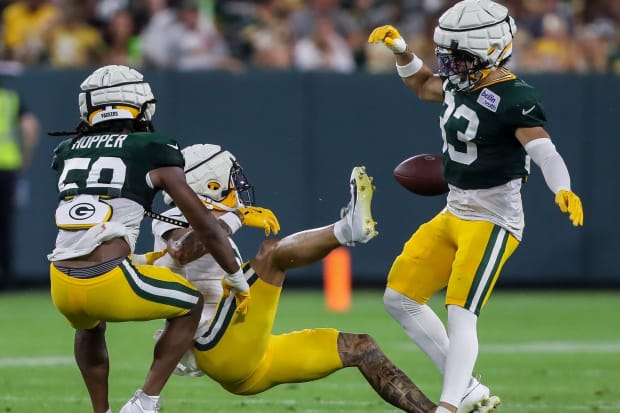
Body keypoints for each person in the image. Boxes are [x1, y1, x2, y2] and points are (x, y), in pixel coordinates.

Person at [368, 1, 584, 413]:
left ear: (489, 49)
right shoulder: (461, 81)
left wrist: (563, 187)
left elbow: (544, 151)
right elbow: (423, 85)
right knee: (399, 297)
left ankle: (449, 407)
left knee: (460, 311)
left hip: (493, 219)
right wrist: (401, 51)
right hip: (454, 211)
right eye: (448, 55)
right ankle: (465, 389)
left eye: (460, 56)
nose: (451, 65)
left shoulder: (512, 96)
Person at [149, 144, 437, 413]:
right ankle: (346, 230)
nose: (237, 185)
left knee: (361, 348)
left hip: (252, 358)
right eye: (230, 179)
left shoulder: (209, 220)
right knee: (270, 254)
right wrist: (235, 216)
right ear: (211, 185)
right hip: (214, 345)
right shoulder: (175, 214)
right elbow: (182, 249)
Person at [47, 64, 250, 413]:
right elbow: (203, 223)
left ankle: (101, 410)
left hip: (61, 284)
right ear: (139, 103)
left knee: (90, 326)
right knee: (190, 303)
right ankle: (145, 401)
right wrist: (235, 276)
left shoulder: (67, 150)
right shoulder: (152, 147)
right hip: (109, 278)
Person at [0, 62, 40, 290]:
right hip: (7, 168)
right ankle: (9, 280)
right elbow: (30, 128)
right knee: (5, 226)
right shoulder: (11, 98)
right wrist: (25, 160)